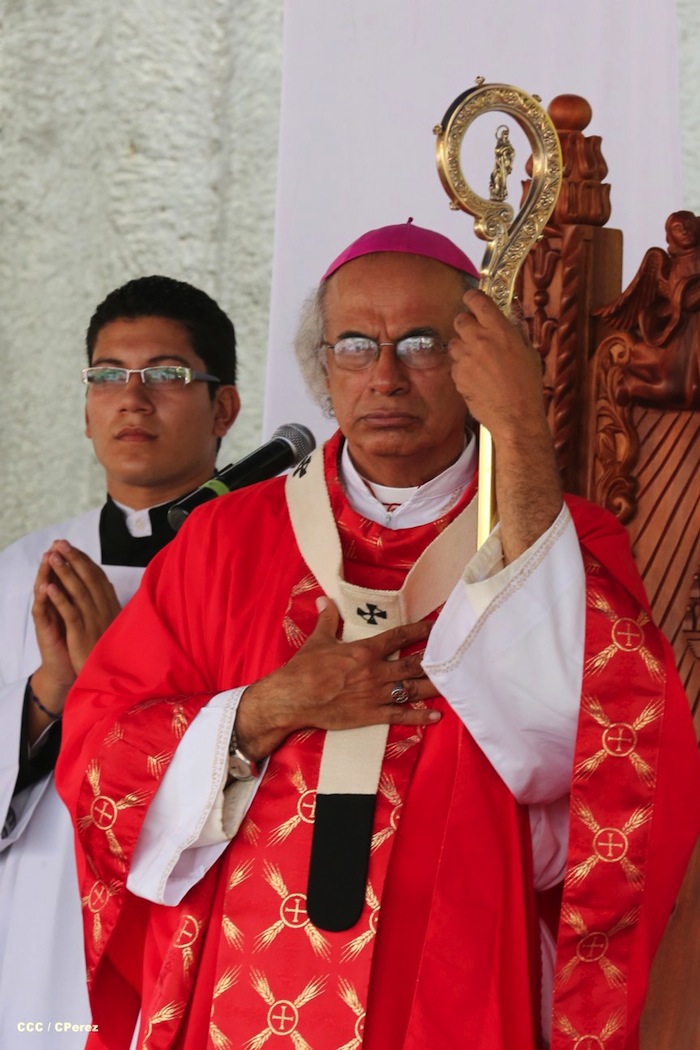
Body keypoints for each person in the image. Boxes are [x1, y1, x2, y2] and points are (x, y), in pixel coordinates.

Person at [57, 223, 700, 1050]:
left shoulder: (563, 540)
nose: (385, 375)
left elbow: (602, 762)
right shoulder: (222, 541)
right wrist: (262, 710)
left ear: (479, 361)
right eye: (355, 345)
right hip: (240, 991)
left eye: (423, 343)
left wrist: (526, 442)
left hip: (454, 986)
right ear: (324, 368)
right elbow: (102, 752)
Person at [0, 275, 239, 1045]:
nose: (132, 399)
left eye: (167, 376)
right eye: (107, 376)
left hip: (195, 912)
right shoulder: (21, 572)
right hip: (45, 918)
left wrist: (117, 674)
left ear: (224, 408)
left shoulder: (264, 568)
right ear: (86, 408)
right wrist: (47, 695)